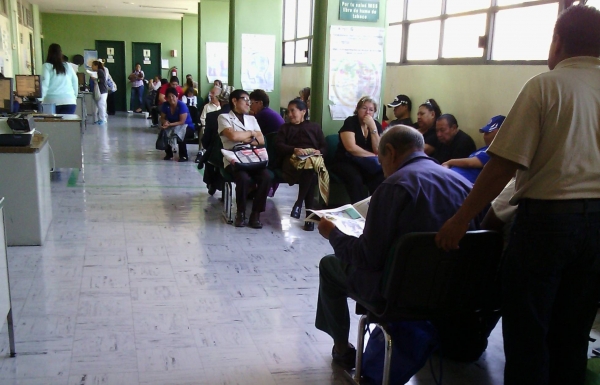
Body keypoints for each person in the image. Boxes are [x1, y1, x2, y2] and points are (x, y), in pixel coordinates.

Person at [435, 6, 600, 385]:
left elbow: (501, 166)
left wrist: (460, 220)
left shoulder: (546, 86)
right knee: (573, 334)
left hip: (548, 225)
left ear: (558, 41)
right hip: (597, 233)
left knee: (529, 333)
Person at [315, 125, 476, 369]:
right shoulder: (462, 183)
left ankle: (341, 348)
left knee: (329, 265)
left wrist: (334, 234)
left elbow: (367, 258)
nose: (383, 168)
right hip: (455, 288)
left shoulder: (394, 187)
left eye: (380, 161)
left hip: (399, 291)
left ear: (389, 151)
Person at [218, 89, 272, 229]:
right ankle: (240, 213)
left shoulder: (252, 119)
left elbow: (261, 141)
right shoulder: (224, 118)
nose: (249, 103)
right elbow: (233, 137)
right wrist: (251, 133)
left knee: (266, 177)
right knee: (243, 177)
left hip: (253, 158)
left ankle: (256, 214)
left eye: (250, 101)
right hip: (234, 158)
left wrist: (245, 137)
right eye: (245, 99)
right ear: (234, 101)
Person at [275, 98, 327, 231]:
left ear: (303, 111)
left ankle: (299, 204)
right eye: (288, 111)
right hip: (291, 161)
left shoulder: (314, 127)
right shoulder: (285, 128)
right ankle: (308, 216)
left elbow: (323, 146)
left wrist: (318, 151)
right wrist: (294, 150)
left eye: (293, 111)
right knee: (309, 173)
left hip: (312, 160)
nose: (289, 114)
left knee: (309, 168)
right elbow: (279, 146)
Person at [329, 96, 384, 204]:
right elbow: (351, 148)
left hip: (366, 164)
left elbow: (378, 150)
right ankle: (359, 210)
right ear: (357, 109)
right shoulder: (351, 121)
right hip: (345, 161)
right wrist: (373, 156)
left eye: (371, 110)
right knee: (355, 178)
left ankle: (375, 208)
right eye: (364, 108)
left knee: (380, 177)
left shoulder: (376, 125)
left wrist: (372, 128)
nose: (367, 112)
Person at [443, 115, 506, 183]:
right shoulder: (484, 148)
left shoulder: (494, 152)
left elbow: (470, 163)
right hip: (451, 176)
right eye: (484, 133)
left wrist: (449, 162)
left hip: (459, 182)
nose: (484, 136)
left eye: (488, 133)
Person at [201, 87, 231, 195]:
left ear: (221, 101)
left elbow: (206, 140)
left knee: (211, 151)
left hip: (216, 155)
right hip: (237, 155)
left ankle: (211, 183)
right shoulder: (245, 118)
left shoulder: (212, 116)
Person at [40, 43, 78, 114]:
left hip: (51, 102)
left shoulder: (46, 66)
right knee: (66, 125)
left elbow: (44, 84)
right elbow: (75, 81)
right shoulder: (68, 66)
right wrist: (74, 96)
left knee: (52, 125)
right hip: (70, 102)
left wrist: (39, 100)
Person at [160, 87, 195, 162]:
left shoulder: (182, 105)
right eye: (169, 97)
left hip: (187, 127)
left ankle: (184, 156)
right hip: (173, 126)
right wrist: (165, 122)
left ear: (176, 96)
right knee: (165, 132)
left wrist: (169, 125)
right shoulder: (165, 105)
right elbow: (162, 117)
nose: (171, 98)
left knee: (181, 133)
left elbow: (182, 122)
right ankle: (169, 154)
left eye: (173, 96)